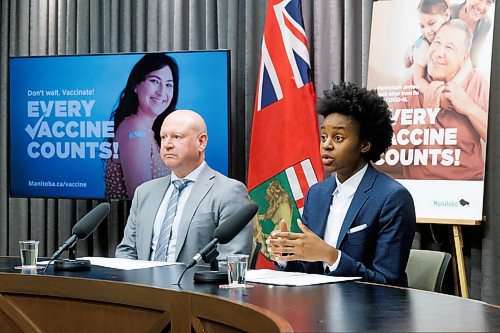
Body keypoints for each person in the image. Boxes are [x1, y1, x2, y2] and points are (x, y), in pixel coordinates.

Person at [266, 82, 416, 287]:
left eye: (338, 138)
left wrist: (331, 256)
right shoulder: (316, 194)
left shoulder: (392, 198)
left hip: (368, 313)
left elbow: (386, 282)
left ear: (365, 145)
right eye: (323, 137)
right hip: (318, 308)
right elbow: (309, 271)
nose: (327, 145)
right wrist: (286, 254)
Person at [115, 110, 252, 263]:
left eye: (176, 137)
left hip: (194, 286)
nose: (167, 145)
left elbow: (231, 261)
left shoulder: (228, 192)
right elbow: (127, 251)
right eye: (163, 137)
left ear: (201, 142)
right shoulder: (144, 192)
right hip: (143, 285)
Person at [388, 19, 489, 180]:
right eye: (437, 42)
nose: (439, 53)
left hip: (468, 186)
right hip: (419, 186)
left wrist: (468, 107)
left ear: (464, 59)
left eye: (449, 47)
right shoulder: (410, 85)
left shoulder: (477, 82)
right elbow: (385, 157)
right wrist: (425, 117)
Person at [105, 53, 179, 199]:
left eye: (169, 84)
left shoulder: (148, 131)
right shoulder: (135, 128)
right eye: (154, 81)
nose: (161, 91)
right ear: (135, 86)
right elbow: (142, 200)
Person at [404, 0, 450, 95]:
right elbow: (418, 80)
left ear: (446, 16)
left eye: (432, 23)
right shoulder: (422, 46)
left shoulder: (452, 34)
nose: (426, 31)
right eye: (422, 26)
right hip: (416, 89)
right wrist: (438, 97)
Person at [451, 0, 494, 67]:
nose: (481, 7)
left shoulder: (485, 24)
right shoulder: (448, 12)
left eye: (488, 2)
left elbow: (473, 58)